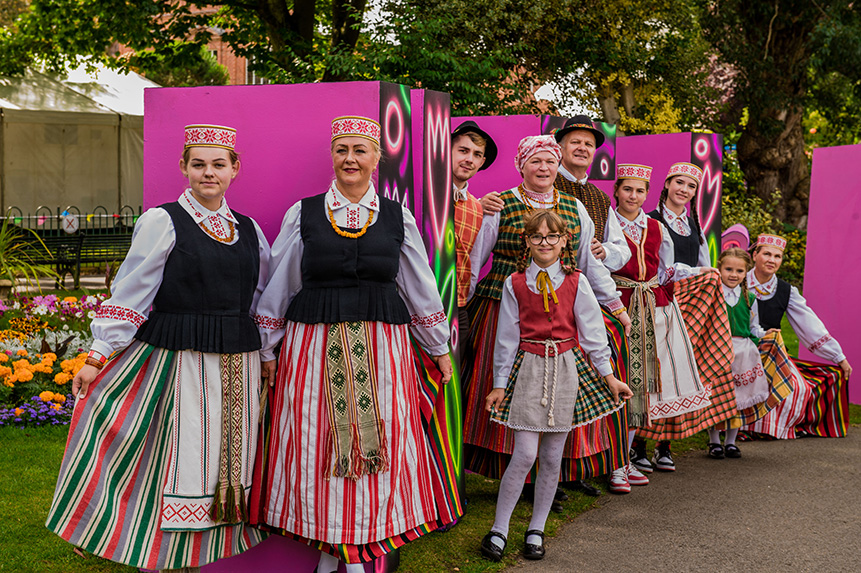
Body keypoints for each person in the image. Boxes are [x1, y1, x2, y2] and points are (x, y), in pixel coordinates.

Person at [45, 124, 270, 572]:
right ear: (184, 167)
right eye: (199, 164)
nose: (209, 173)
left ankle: (202, 554)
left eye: (218, 164)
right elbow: (133, 291)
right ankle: (155, 551)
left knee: (224, 460)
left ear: (235, 169)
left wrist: (266, 354)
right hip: (178, 356)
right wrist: (97, 355)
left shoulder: (248, 229)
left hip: (238, 360)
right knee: (173, 454)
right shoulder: (162, 221)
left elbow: (261, 296)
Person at [250, 116, 455, 573]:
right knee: (317, 440)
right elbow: (280, 284)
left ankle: (356, 549)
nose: (350, 159)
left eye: (360, 150)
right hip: (313, 346)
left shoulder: (398, 217)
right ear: (332, 156)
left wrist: (438, 347)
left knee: (378, 439)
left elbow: (419, 286)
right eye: (342, 150)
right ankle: (330, 553)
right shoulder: (303, 213)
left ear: (376, 158)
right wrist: (267, 347)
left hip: (383, 347)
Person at [462, 135, 632, 502]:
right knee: (506, 386)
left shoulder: (574, 207)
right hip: (504, 306)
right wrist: (463, 301)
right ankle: (516, 473)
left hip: (559, 312)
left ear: (557, 166)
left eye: (549, 162)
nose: (543, 168)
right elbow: (477, 259)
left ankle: (552, 475)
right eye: (535, 161)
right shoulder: (502, 203)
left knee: (556, 391)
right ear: (521, 166)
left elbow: (588, 263)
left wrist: (615, 305)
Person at [480, 209, 631, 562]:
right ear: (527, 241)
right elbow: (506, 337)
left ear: (564, 241)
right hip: (529, 369)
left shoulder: (577, 281)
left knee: (551, 457)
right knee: (525, 454)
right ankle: (499, 529)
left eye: (552, 236)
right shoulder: (515, 283)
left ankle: (536, 528)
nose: (544, 242)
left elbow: (593, 333)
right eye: (537, 236)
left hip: (565, 369)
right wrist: (500, 383)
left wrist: (609, 376)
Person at [607, 164, 710, 493]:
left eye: (639, 191)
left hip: (649, 307)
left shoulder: (656, 227)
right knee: (612, 379)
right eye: (627, 189)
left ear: (647, 194)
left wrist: (699, 275)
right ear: (616, 191)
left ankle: (623, 460)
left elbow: (664, 271)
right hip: (613, 308)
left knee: (640, 384)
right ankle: (608, 459)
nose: (633, 196)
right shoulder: (606, 222)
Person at [633, 162, 736, 473]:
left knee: (679, 375)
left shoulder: (694, 226)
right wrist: (696, 273)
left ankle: (664, 445)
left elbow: (705, 266)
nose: (684, 190)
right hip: (658, 302)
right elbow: (655, 266)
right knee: (655, 371)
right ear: (666, 184)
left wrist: (707, 278)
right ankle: (639, 445)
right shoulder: (650, 220)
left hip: (690, 307)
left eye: (691, 186)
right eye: (679, 182)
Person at [743, 234, 852, 439]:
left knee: (798, 388)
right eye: (767, 254)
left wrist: (839, 357)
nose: (772, 260)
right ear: (754, 255)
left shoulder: (786, 291)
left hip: (773, 353)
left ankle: (769, 428)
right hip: (739, 349)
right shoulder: (737, 280)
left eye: (777, 256)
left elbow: (808, 324)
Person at [452, 120, 498, 360]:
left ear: (482, 162)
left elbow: (471, 260)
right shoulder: (423, 193)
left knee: (455, 377)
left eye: (477, 154)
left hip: (458, 308)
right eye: (463, 150)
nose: (469, 159)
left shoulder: (475, 207)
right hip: (418, 307)